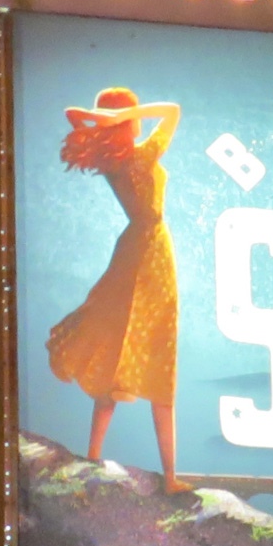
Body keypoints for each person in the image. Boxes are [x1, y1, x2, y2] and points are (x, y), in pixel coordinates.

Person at [47, 86, 189, 494]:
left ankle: (93, 456)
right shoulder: (141, 156)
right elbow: (173, 107)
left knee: (115, 349)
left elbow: (74, 112)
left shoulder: (111, 161)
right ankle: (170, 476)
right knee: (160, 357)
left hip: (133, 251)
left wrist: (104, 119)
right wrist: (119, 116)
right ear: (129, 120)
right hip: (152, 256)